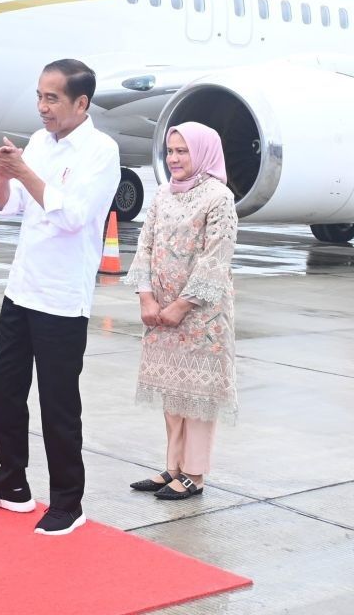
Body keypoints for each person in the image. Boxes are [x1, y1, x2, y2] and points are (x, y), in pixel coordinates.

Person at [0, 59, 119, 537]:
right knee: (6, 390)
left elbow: (72, 215)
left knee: (58, 403)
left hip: (63, 296)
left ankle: (69, 500)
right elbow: (8, 208)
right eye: (40, 96)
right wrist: (3, 174)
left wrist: (23, 169)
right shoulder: (38, 141)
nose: (43, 107)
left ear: (81, 102)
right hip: (23, 287)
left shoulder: (100, 150)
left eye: (52, 98)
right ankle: (12, 482)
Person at [125, 123, 238, 500]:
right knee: (173, 395)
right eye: (170, 151)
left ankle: (194, 474)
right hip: (160, 313)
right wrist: (146, 297)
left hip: (201, 316)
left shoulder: (218, 197)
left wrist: (181, 305)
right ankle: (172, 467)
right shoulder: (161, 195)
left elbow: (215, 260)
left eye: (182, 152)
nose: (173, 159)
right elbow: (145, 245)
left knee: (198, 397)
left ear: (203, 153)